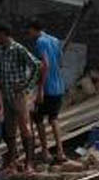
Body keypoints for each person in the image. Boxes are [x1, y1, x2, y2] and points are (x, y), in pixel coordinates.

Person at [0, 23, 42, 175]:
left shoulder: (18, 49)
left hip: (19, 95)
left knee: (25, 128)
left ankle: (29, 163)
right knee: (10, 130)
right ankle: (13, 161)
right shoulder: (1, 50)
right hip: (6, 94)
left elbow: (36, 65)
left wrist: (27, 85)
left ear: (4, 34)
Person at [26, 19, 69, 164]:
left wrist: (40, 89)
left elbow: (45, 65)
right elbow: (61, 61)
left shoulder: (40, 42)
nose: (29, 34)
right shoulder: (55, 40)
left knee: (38, 119)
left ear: (34, 29)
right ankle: (60, 151)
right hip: (59, 86)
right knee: (54, 119)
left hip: (47, 87)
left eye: (29, 31)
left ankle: (45, 152)